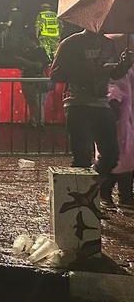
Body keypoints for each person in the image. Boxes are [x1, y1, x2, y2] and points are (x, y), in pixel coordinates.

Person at [50, 28, 134, 175]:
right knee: (82, 155)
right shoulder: (71, 43)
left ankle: (94, 184)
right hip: (77, 103)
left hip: (101, 102)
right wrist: (83, 69)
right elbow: (55, 75)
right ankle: (81, 191)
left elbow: (115, 74)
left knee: (112, 155)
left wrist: (124, 64)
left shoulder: (109, 44)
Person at [99, 44, 134, 211]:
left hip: (125, 123)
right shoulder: (118, 73)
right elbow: (113, 92)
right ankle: (110, 195)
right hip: (120, 124)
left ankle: (122, 196)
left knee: (124, 161)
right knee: (118, 161)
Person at [14, 34, 51, 128]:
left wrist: (23, 61)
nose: (25, 42)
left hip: (37, 80)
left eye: (27, 40)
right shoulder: (26, 51)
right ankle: (33, 120)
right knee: (31, 101)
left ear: (32, 40)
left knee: (38, 102)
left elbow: (39, 65)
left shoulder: (40, 51)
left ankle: (40, 122)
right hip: (27, 79)